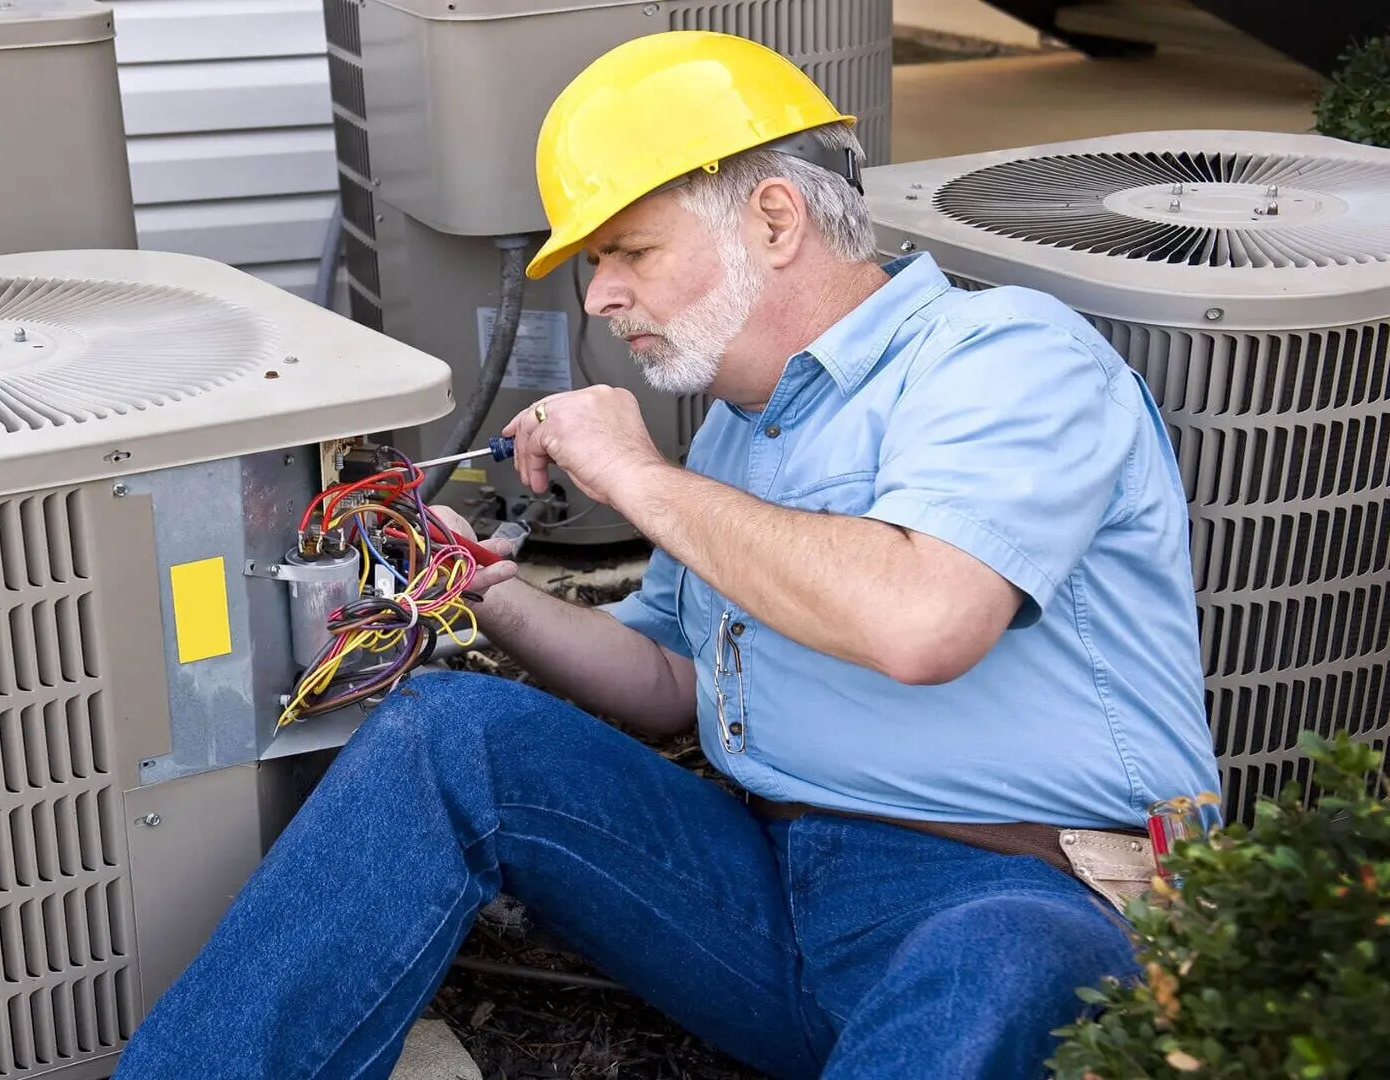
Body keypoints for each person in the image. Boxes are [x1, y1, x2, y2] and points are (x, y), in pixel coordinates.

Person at [113, 30, 1221, 1080]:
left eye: (629, 251)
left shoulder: (1007, 359)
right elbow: (671, 688)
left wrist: (641, 479)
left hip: (1022, 890)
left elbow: (923, 621)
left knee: (1002, 959)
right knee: (450, 733)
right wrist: (487, 593)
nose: (598, 296)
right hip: (770, 890)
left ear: (775, 220)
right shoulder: (739, 429)